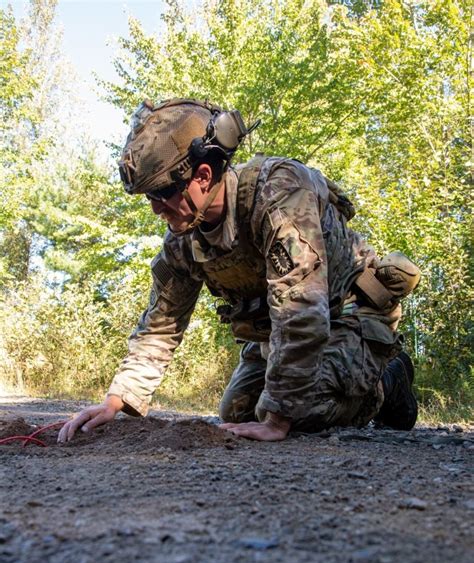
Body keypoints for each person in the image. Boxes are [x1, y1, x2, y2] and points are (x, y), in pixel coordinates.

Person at [58, 98, 420, 444]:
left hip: (350, 312)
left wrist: (279, 420)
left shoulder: (279, 193)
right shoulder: (184, 242)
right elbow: (161, 325)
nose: (155, 209)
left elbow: (301, 308)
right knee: (238, 412)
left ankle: (388, 381)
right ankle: (322, 390)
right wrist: (116, 400)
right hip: (285, 331)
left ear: (202, 175)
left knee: (299, 411)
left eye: (161, 194)